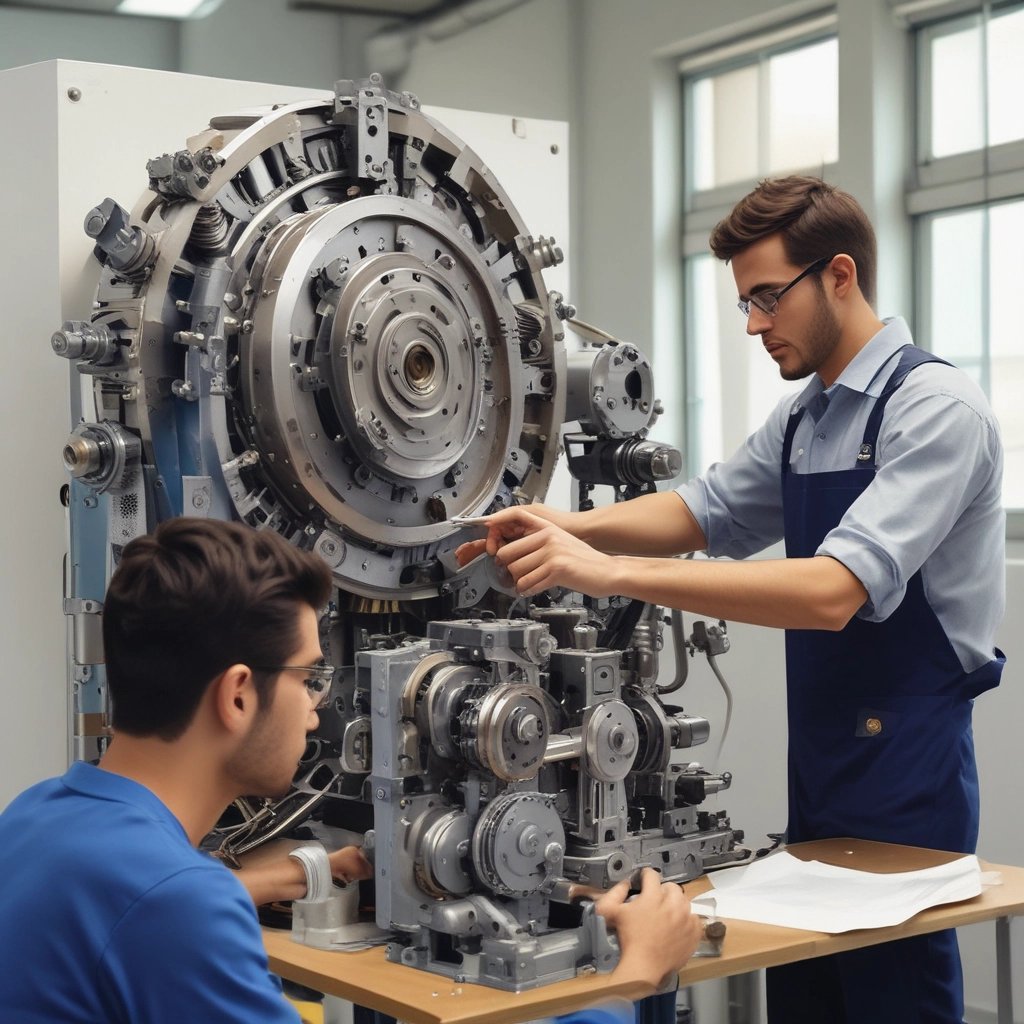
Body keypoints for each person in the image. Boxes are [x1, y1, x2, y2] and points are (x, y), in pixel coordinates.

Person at [456, 176, 1006, 1024]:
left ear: (840, 276)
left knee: (897, 999)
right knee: (806, 992)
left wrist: (605, 572)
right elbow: (702, 512)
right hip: (821, 758)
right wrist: (560, 528)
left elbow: (832, 592)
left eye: (766, 298)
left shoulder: (935, 410)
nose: (753, 324)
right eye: (745, 302)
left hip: (911, 770)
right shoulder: (808, 417)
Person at [0, 517, 702, 1024]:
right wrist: (629, 981)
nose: (316, 709)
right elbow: (160, 910)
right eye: (308, 678)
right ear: (238, 694)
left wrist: (265, 879)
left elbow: (121, 914)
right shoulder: (176, 903)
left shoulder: (35, 817)